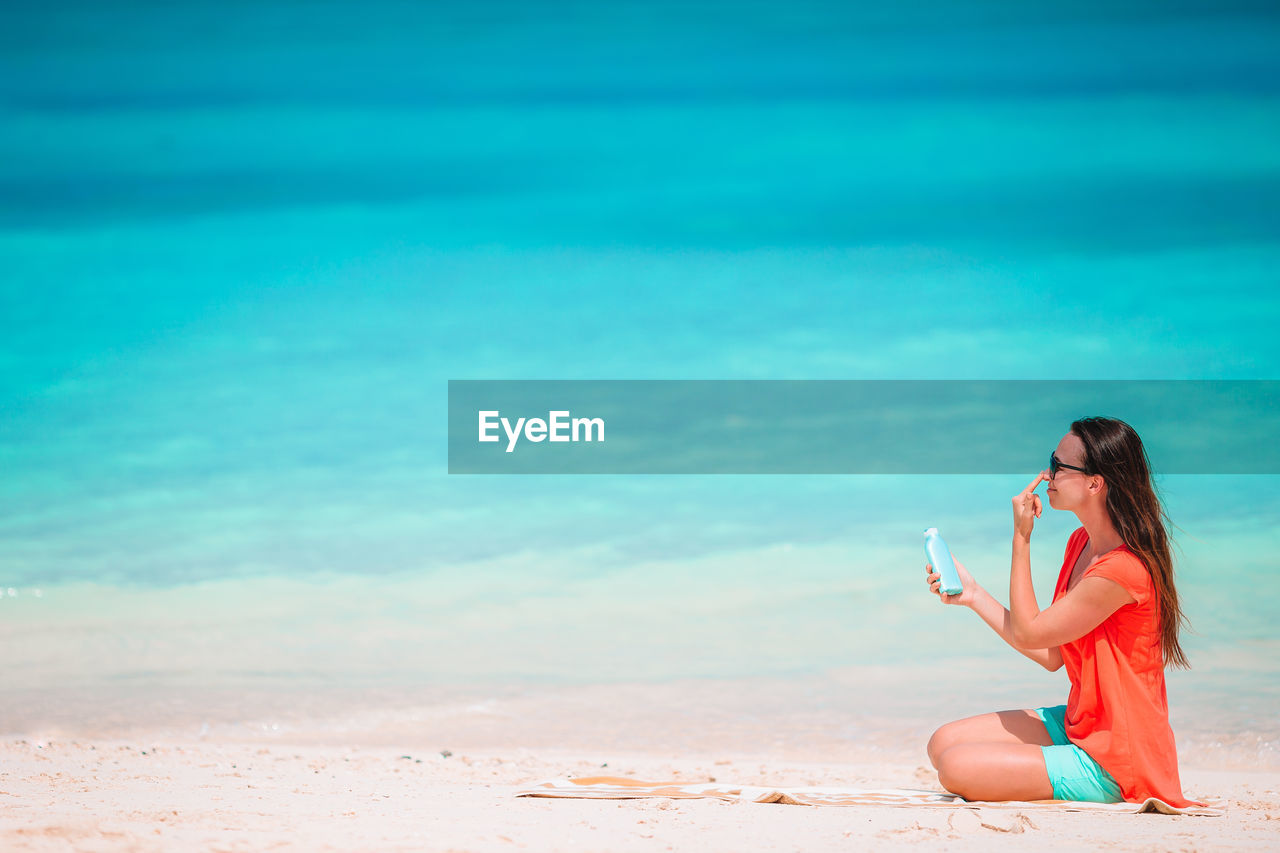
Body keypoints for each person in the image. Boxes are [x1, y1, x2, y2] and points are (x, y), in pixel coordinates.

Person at [923, 416, 1204, 807]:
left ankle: (1094, 785)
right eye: (1050, 461)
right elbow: (1052, 654)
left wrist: (1021, 538)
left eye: (1058, 466)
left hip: (1118, 759)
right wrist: (972, 595)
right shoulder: (1081, 544)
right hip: (1082, 722)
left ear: (1095, 483)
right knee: (942, 744)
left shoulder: (1123, 570)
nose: (1046, 474)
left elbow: (1030, 633)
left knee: (957, 767)